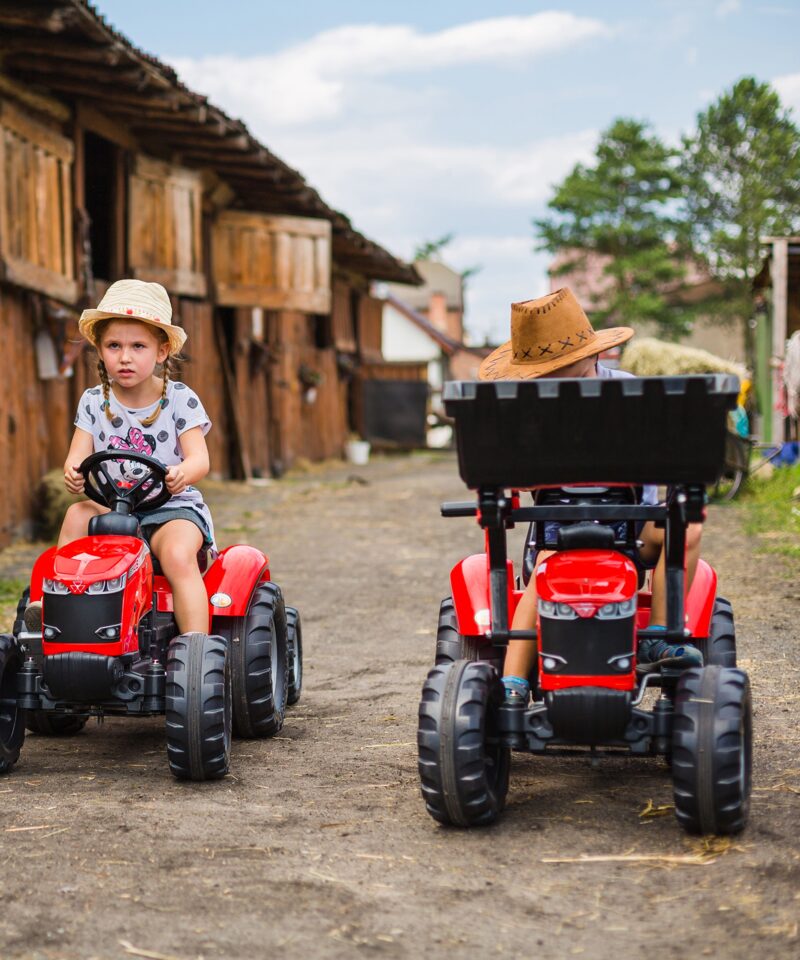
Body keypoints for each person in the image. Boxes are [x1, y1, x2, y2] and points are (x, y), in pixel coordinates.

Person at [478, 288, 704, 705]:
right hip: (557, 533)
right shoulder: (526, 409)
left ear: (592, 355)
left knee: (686, 533)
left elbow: (664, 453)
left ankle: (658, 634)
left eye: (564, 368)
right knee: (544, 572)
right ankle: (513, 681)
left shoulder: (630, 394)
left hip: (633, 522)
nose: (555, 380)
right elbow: (509, 474)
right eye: (545, 374)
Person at [25, 279, 214, 637]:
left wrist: (182, 473)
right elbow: (77, 458)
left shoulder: (180, 399)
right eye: (114, 345)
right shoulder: (95, 401)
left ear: (161, 352)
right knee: (77, 513)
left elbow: (200, 460)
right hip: (114, 506)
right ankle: (53, 606)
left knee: (176, 555)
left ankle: (196, 648)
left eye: (138, 346)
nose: (125, 356)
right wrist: (74, 475)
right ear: (100, 350)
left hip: (171, 508)